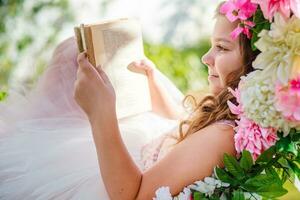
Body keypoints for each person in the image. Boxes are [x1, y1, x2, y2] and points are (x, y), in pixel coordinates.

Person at [0, 2, 258, 200]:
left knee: (68, 63)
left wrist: (101, 113)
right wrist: (153, 80)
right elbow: (186, 127)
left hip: (121, 181)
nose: (206, 57)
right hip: (145, 151)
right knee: (71, 52)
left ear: (255, 62)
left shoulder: (224, 134)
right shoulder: (230, 117)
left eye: (222, 48)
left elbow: (132, 195)